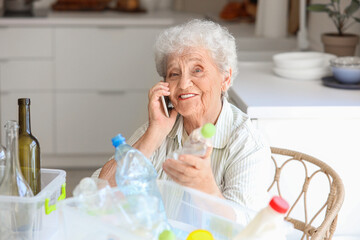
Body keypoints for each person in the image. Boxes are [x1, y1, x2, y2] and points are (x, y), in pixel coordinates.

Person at [93, 19, 271, 212]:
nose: (184, 84)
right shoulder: (161, 127)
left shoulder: (247, 143)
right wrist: (154, 134)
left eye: (197, 70)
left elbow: (244, 228)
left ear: (225, 78)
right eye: (174, 74)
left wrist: (207, 189)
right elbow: (98, 193)